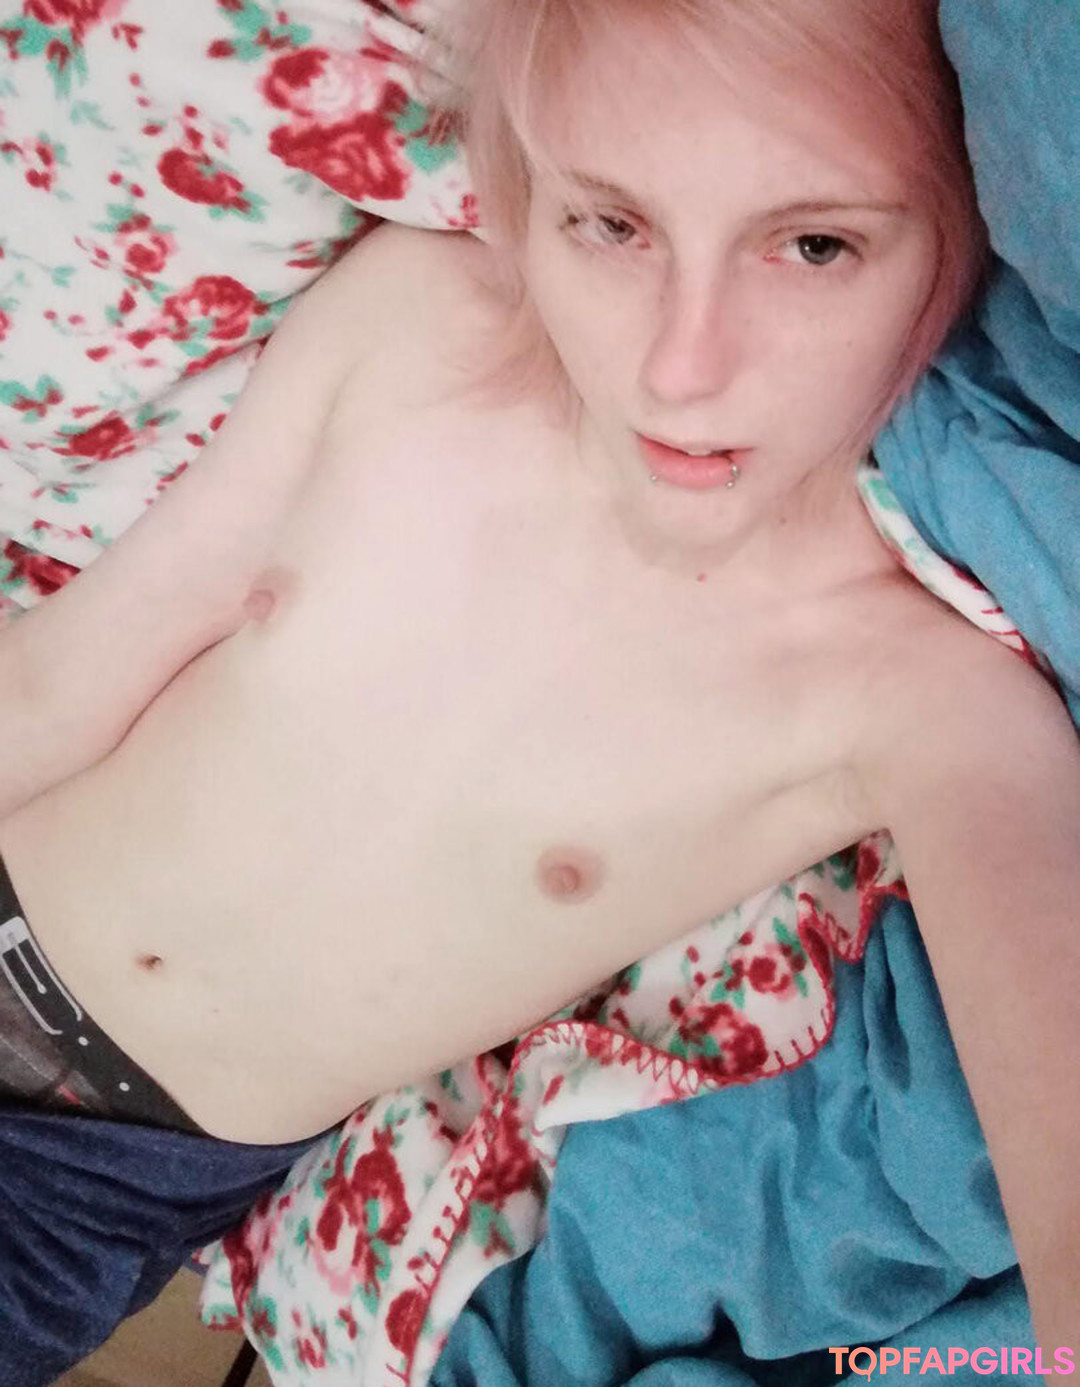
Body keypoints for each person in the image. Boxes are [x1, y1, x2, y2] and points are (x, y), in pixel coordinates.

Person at [0, 0, 1076, 1369]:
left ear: (962, 235)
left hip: (89, 1178)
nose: (681, 367)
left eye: (816, 246)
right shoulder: (422, 321)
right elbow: (66, 675)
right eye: (612, 225)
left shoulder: (918, 700)